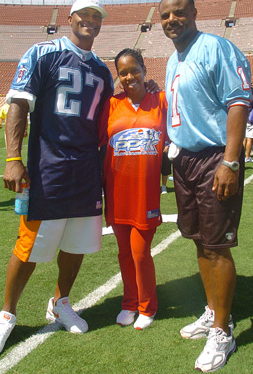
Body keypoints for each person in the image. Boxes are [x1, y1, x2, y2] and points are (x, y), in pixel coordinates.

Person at [0, 0, 114, 362]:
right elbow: (18, 103)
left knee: (76, 246)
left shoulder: (103, 70)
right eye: (85, 15)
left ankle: (60, 302)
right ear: (71, 18)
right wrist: (13, 158)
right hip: (49, 168)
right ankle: (7, 314)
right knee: (28, 247)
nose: (91, 21)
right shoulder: (43, 53)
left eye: (97, 17)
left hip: (87, 170)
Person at [159, 0, 251, 373]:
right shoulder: (171, 58)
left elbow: (238, 102)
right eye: (165, 15)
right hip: (185, 161)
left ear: (194, 13)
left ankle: (222, 332)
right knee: (199, 241)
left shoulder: (217, 48)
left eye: (179, 13)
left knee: (216, 247)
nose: (171, 20)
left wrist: (231, 160)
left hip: (216, 157)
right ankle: (213, 311)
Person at [99, 48, 168, 330]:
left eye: (134, 70)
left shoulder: (161, 100)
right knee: (124, 253)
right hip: (117, 192)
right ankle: (129, 302)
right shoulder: (112, 104)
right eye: (123, 72)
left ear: (144, 70)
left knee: (140, 252)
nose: (129, 76)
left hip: (146, 193)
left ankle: (147, 306)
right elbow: (97, 140)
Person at [243, 88, 253, 163]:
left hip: (244, 119)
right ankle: (247, 157)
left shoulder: (244, 96)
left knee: (245, 138)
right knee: (250, 139)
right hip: (250, 120)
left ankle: (243, 154)